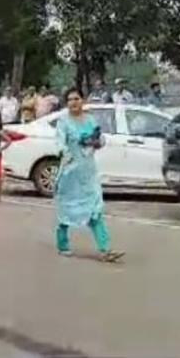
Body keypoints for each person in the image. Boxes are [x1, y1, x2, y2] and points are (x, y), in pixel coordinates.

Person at [54, 88, 124, 262]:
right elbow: (59, 143)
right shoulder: (63, 122)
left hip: (89, 173)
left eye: (76, 99)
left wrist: (95, 141)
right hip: (70, 174)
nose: (73, 102)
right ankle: (62, 244)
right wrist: (65, 153)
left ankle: (105, 249)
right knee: (67, 210)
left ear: (82, 101)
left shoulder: (91, 120)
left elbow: (100, 140)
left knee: (95, 210)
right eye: (70, 99)